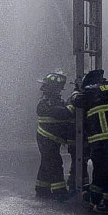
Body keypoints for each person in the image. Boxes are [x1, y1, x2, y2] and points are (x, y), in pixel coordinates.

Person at [72, 68, 108, 214]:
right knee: (102, 169)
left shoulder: (91, 90)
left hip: (103, 137)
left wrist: (75, 91)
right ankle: (95, 196)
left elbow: (77, 101)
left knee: (106, 169)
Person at [35, 72, 75, 200]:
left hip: (49, 138)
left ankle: (42, 189)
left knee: (46, 162)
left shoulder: (51, 100)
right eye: (58, 88)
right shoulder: (48, 102)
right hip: (47, 138)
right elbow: (63, 113)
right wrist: (73, 105)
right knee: (55, 163)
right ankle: (60, 192)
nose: (59, 91)